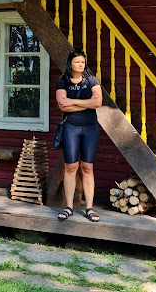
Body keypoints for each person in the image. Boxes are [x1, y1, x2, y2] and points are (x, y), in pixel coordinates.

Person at [54, 50, 103, 222]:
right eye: (77, 62)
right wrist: (86, 104)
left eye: (83, 62)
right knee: (71, 167)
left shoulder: (92, 81)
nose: (81, 65)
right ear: (70, 64)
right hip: (71, 127)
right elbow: (63, 106)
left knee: (87, 167)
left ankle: (89, 208)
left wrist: (73, 102)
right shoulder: (63, 81)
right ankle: (68, 207)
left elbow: (97, 102)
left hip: (90, 128)